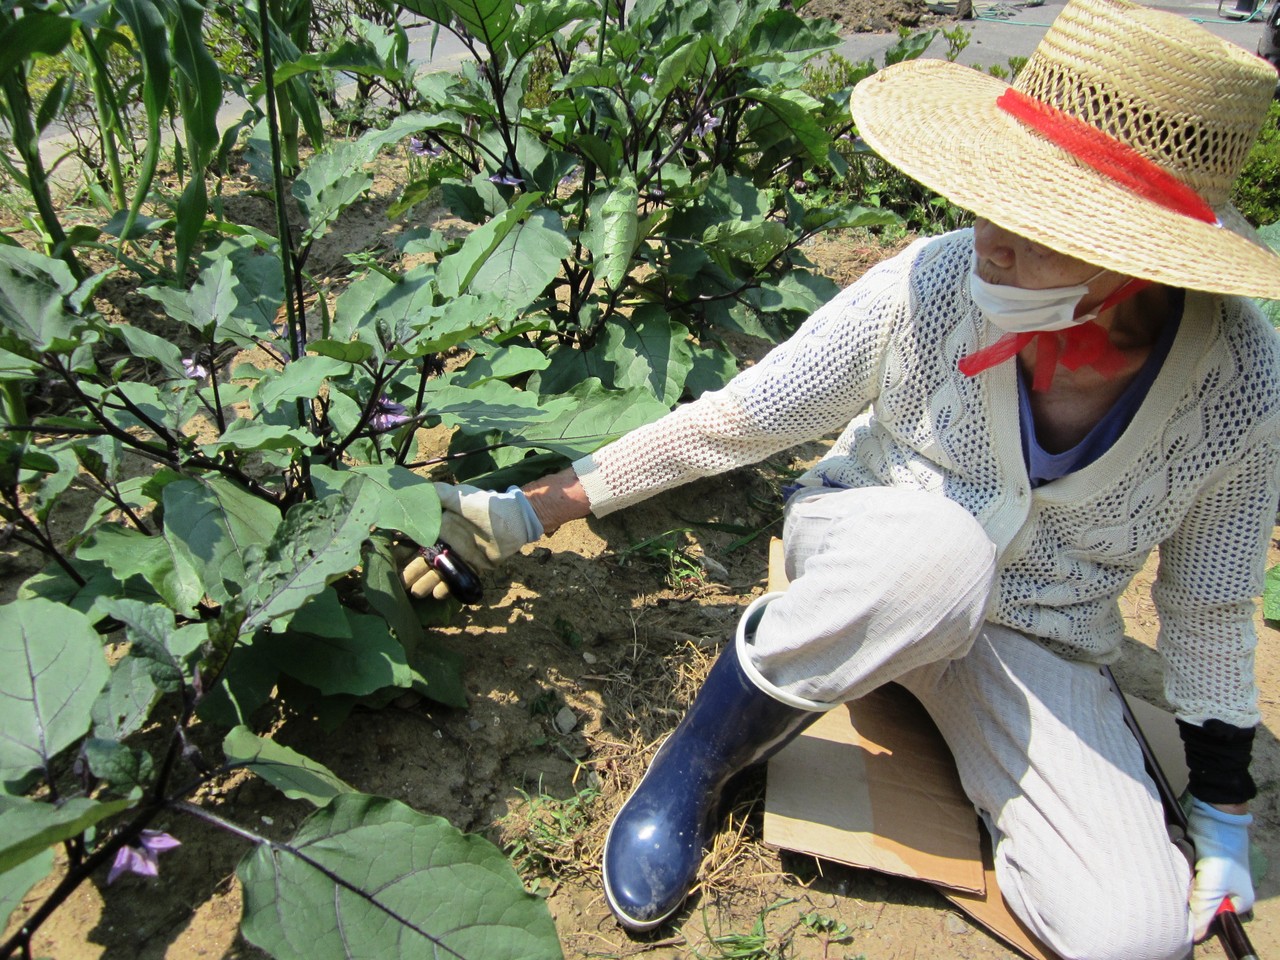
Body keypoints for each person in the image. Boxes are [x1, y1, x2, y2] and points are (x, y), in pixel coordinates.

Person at [402, 0, 1280, 956]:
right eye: (997, 196)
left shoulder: (1240, 387)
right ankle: (701, 762)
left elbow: (1210, 606)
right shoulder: (935, 286)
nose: (992, 236)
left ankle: (943, 709)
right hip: (878, 546)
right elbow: (742, 418)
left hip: (1037, 637)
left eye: (1042, 224)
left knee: (1136, 935)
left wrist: (1225, 813)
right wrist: (527, 512)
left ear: (1136, 256)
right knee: (940, 552)